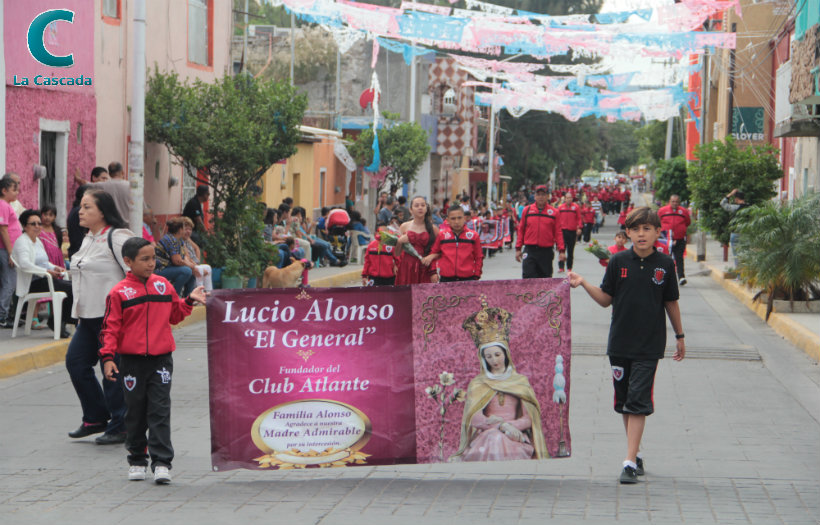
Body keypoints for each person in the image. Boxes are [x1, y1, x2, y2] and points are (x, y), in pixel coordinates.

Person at [567, 207, 685, 484]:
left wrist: (680, 336)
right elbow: (606, 298)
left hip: (649, 345)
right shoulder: (618, 261)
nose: (641, 234)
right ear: (628, 232)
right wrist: (583, 283)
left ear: (658, 232)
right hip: (619, 343)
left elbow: (671, 302)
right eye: (635, 229)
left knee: (637, 401)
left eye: (647, 229)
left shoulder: (665, 264)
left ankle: (629, 462)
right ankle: (637, 451)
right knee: (625, 401)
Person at [100, 237, 207, 484]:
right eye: (144, 259)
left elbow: (175, 315)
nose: (151, 264)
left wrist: (189, 300)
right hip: (131, 362)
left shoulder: (163, 286)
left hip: (161, 360)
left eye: (153, 259)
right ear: (128, 262)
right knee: (135, 412)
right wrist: (107, 358)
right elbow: (110, 328)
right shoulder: (118, 293)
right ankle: (137, 459)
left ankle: (162, 463)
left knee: (159, 410)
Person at [67, 189, 135, 445]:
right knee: (76, 363)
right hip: (87, 317)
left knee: (112, 371)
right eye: (80, 207)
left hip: (113, 318)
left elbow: (138, 270)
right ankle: (95, 417)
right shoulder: (88, 239)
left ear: (103, 212)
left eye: (87, 207)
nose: (80, 212)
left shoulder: (117, 237)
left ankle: (121, 425)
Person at [450, 341, 547, 462]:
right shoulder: (478, 383)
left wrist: (510, 426)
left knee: (497, 439)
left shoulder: (520, 381)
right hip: (487, 435)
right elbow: (474, 417)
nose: (494, 360)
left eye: (497, 354)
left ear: (505, 354)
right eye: (488, 356)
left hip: (513, 435)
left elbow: (529, 418)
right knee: (495, 437)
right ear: (483, 358)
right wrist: (501, 425)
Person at [12, 209, 74, 337]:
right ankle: (59, 321)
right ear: (24, 226)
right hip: (32, 283)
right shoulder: (22, 242)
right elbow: (24, 264)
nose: (37, 226)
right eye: (33, 224)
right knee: (72, 288)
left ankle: (60, 320)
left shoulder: (37, 241)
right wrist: (46, 271)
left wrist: (55, 267)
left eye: (39, 224)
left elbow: (44, 262)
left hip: (44, 280)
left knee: (73, 286)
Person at [515, 185, 565, 279]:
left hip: (546, 251)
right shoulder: (527, 210)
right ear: (535, 196)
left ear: (547, 196)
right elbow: (521, 230)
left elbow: (558, 232)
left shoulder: (554, 212)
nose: (541, 197)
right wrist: (518, 249)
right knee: (528, 278)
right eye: (538, 194)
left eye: (543, 194)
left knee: (545, 280)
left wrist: (561, 251)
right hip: (530, 250)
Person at [422, 205, 483, 282]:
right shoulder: (442, 236)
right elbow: (433, 253)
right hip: (446, 279)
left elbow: (479, 257)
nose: (456, 222)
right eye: (453, 219)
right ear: (447, 220)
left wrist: (477, 275)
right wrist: (433, 272)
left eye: (459, 218)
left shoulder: (474, 236)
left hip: (468, 278)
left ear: (464, 218)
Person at [395, 196, 439, 285]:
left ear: (426, 208)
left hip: (425, 267)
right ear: (411, 210)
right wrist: (400, 241)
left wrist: (430, 259)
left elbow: (439, 251)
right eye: (417, 205)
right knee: (406, 296)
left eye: (423, 205)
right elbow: (397, 253)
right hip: (407, 266)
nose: (420, 208)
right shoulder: (404, 226)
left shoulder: (433, 228)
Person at [154, 217, 197, 297]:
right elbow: (177, 261)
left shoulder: (178, 239)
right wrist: (191, 266)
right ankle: (174, 296)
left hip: (170, 268)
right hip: (160, 269)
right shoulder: (170, 239)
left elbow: (184, 257)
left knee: (191, 272)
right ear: (180, 229)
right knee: (186, 271)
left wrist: (193, 266)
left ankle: (188, 298)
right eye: (184, 228)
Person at [0, 177, 21, 327]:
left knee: (7, 283)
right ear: (4, 190)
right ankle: (2, 316)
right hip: (4, 250)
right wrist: (11, 253)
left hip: (5, 250)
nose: (17, 193)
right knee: (9, 283)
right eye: (14, 189)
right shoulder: (3, 205)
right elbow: (3, 229)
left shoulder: (6, 205)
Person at [658, 195, 691, 286]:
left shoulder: (683, 211)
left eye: (676, 202)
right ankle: (662, 277)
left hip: (680, 239)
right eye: (673, 201)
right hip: (666, 240)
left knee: (679, 258)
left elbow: (688, 222)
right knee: (665, 259)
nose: (674, 203)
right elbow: (657, 221)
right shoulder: (662, 211)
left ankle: (681, 277)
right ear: (669, 201)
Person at [180, 217, 212, 292]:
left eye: (190, 229)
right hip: (188, 264)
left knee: (208, 267)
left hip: (193, 263)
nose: (188, 231)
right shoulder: (180, 241)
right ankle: (199, 293)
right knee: (200, 270)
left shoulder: (187, 239)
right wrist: (196, 266)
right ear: (180, 229)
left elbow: (197, 248)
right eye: (186, 229)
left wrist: (198, 261)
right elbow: (187, 257)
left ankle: (208, 291)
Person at [720, 189, 747, 268]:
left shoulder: (735, 208)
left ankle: (739, 276)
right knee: (746, 255)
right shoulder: (750, 207)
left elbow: (722, 203)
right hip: (747, 234)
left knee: (737, 256)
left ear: (736, 199)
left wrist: (730, 194)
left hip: (736, 233)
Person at [557, 193, 582, 273]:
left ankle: (569, 268)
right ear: (564, 199)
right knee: (561, 250)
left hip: (572, 231)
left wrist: (579, 228)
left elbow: (579, 218)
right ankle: (561, 267)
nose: (569, 199)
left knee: (570, 251)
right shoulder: (560, 207)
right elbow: (557, 219)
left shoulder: (576, 207)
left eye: (570, 198)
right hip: (562, 231)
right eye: (567, 198)